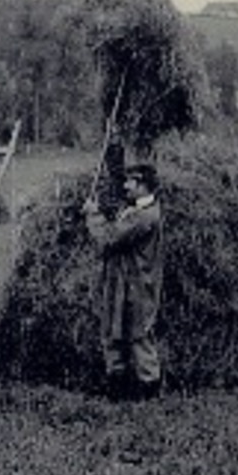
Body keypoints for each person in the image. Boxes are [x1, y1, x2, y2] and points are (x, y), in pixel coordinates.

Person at [82, 162, 164, 400]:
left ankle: (149, 391)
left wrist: (93, 214)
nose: (126, 186)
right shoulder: (138, 210)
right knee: (113, 333)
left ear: (143, 185)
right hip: (121, 283)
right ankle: (118, 389)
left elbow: (109, 238)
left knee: (139, 336)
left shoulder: (145, 216)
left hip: (137, 286)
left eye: (131, 182)